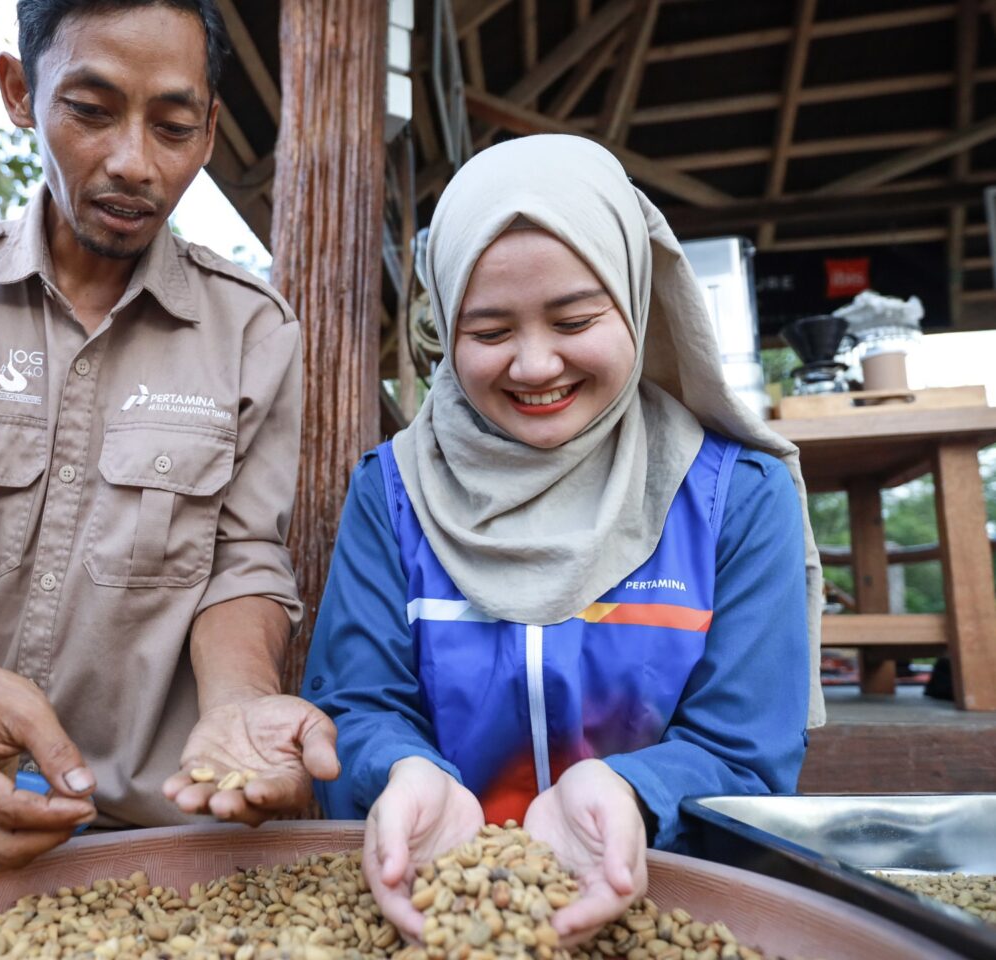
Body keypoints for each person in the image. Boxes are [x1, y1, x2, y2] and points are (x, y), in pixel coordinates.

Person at [0, 0, 337, 867]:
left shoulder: (253, 331)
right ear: (21, 91)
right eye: (90, 111)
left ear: (207, 134)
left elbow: (242, 560)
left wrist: (238, 699)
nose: (133, 162)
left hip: (162, 837)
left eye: (173, 125)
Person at [303, 135, 825, 948]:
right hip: (429, 915)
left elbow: (747, 752)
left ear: (635, 297)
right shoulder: (391, 492)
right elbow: (358, 706)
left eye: (576, 318)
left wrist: (633, 794)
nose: (536, 364)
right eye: (488, 330)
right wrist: (400, 773)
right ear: (446, 323)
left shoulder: (736, 500)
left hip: (657, 900)